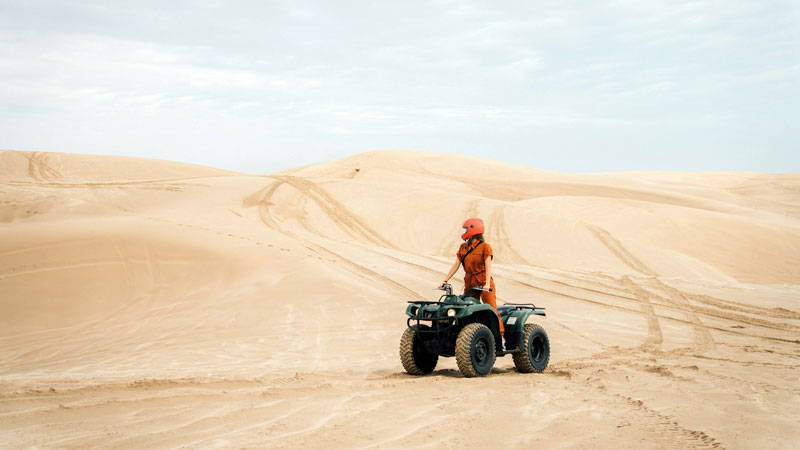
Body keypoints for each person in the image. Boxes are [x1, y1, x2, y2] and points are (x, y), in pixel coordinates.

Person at [440, 217, 504, 339]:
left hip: (483, 280)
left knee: (491, 308)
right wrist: (446, 279)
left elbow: (488, 266)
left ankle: (500, 337)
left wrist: (487, 284)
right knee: (468, 308)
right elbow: (456, 264)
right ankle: (471, 336)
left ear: (473, 230)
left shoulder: (485, 247)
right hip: (470, 281)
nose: (463, 232)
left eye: (465, 230)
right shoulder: (463, 247)